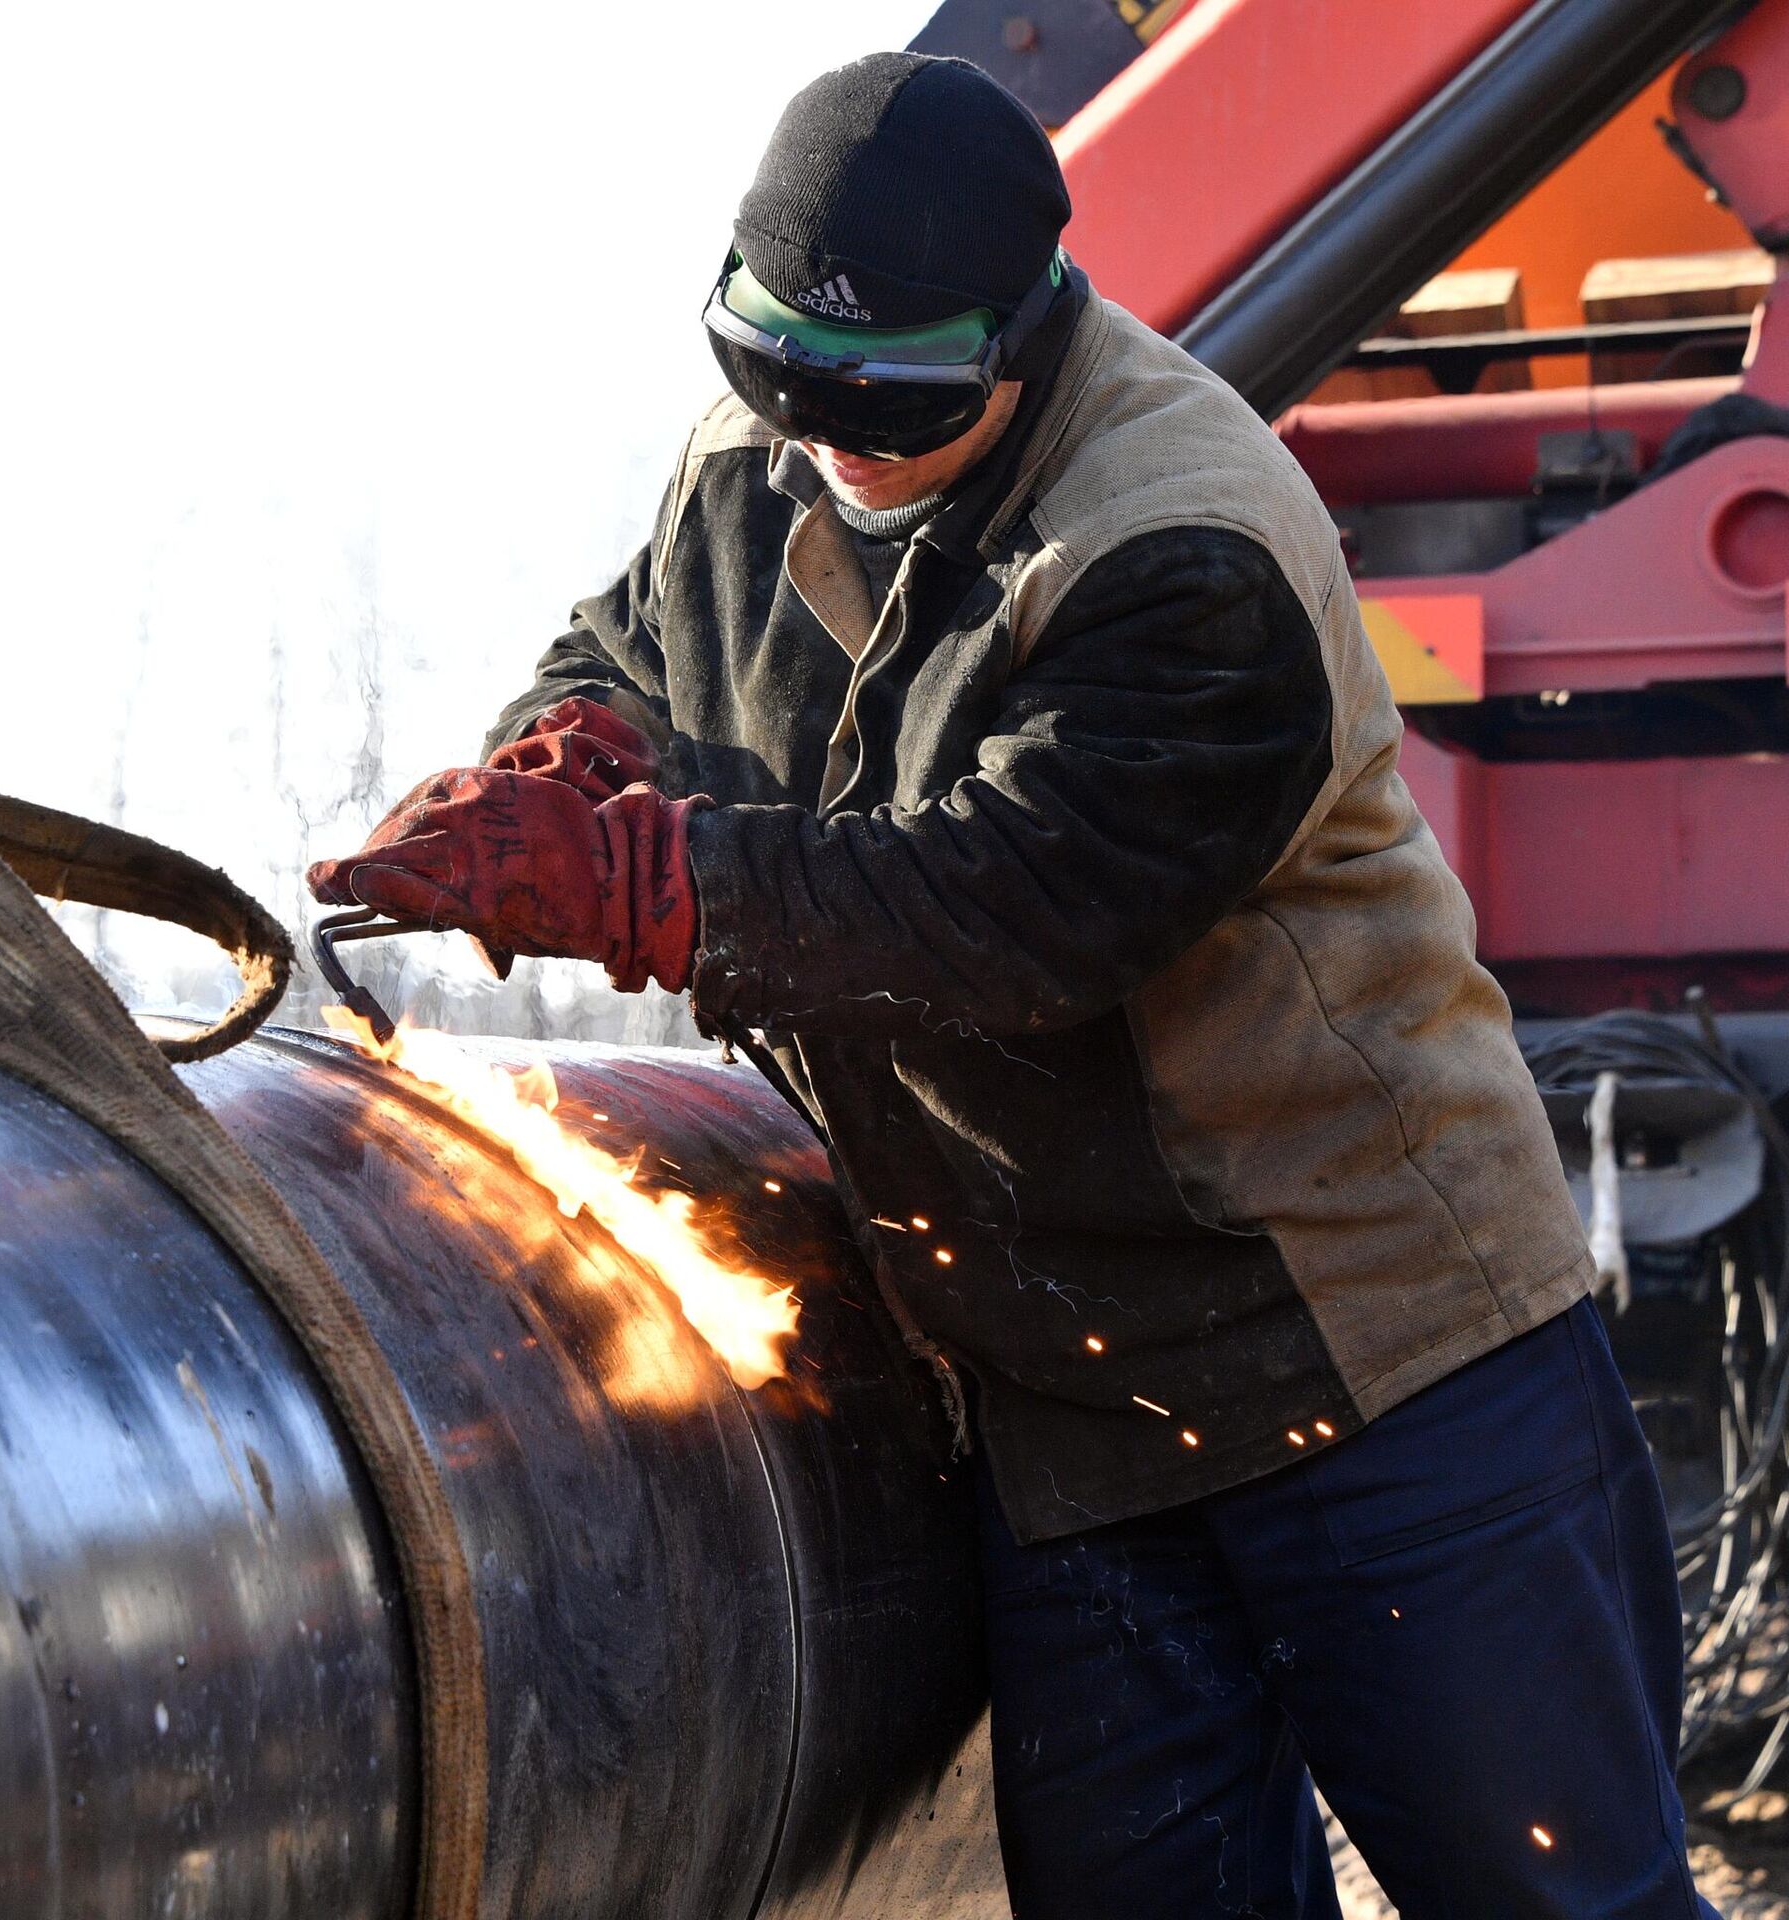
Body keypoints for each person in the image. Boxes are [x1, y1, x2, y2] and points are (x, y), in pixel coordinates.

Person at [307, 52, 1718, 1920]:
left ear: (1019, 336)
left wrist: (653, 887)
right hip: (1075, 1409)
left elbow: (1022, 912)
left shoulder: (1180, 539)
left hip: (1378, 1361)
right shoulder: (773, 452)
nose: (834, 449)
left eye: (885, 405)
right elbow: (639, 644)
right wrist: (566, 753)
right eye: (784, 387)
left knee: (1556, 1901)